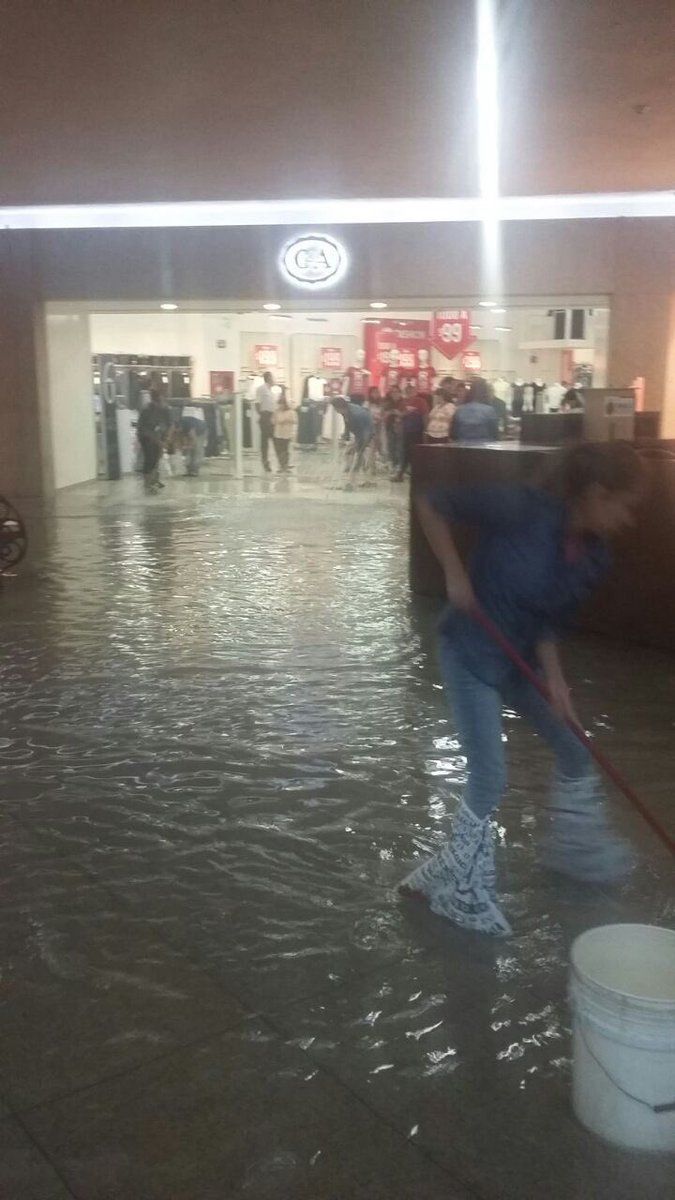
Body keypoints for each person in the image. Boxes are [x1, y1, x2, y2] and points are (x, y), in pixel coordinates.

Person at [400, 441, 644, 935]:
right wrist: (453, 572)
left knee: (576, 748)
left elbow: (549, 622)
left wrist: (557, 682)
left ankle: (571, 852)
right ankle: (458, 887)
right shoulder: (522, 508)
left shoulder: (595, 559)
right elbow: (431, 502)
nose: (628, 520)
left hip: (521, 661)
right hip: (471, 652)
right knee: (490, 777)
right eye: (625, 506)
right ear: (598, 494)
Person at [137, 388, 171, 494]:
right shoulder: (147, 410)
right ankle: (147, 483)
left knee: (156, 458)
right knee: (150, 459)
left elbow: (169, 425)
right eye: (160, 400)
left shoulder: (164, 410)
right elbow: (144, 429)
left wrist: (165, 439)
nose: (162, 402)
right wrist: (159, 441)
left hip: (156, 435)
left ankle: (154, 480)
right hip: (146, 437)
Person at [333, 397, 374, 478]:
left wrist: (361, 448)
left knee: (360, 455)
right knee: (351, 453)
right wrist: (345, 436)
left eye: (335, 408)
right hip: (359, 433)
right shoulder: (346, 410)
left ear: (339, 407)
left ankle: (360, 476)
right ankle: (356, 473)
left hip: (367, 434)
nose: (335, 410)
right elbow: (347, 424)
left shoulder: (356, 414)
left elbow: (366, 432)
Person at [394, 386, 429, 481]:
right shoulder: (403, 402)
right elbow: (399, 417)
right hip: (406, 432)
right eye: (407, 391)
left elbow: (425, 415)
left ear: (415, 392)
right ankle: (401, 474)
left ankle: (417, 475)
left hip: (418, 431)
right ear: (405, 392)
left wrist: (425, 430)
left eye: (411, 391)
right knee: (405, 453)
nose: (409, 393)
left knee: (417, 453)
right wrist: (398, 425)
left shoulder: (421, 401)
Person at [452, 377, 500, 442]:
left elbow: (454, 434)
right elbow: (495, 434)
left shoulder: (460, 410)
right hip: (484, 448)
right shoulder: (489, 410)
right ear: (485, 392)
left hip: (463, 447)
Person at [255, 370, 277, 472]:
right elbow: (257, 403)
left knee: (275, 439)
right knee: (265, 442)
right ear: (268, 378)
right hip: (265, 416)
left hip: (271, 416)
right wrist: (262, 414)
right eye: (273, 378)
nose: (274, 380)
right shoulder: (261, 389)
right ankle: (265, 463)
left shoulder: (271, 391)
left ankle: (281, 462)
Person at [272, 388, 297, 473]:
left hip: (286, 434)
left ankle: (285, 466)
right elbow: (273, 421)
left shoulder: (290, 412)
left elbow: (294, 421)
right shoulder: (276, 412)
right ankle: (281, 465)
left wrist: (286, 420)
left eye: (281, 404)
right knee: (279, 450)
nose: (280, 406)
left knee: (285, 450)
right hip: (278, 433)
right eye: (279, 404)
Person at [179, 404, 207, 476]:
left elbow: (193, 439)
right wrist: (185, 445)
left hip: (200, 431)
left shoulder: (189, 427)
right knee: (190, 450)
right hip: (194, 427)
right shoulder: (181, 427)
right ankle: (189, 469)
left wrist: (188, 445)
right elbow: (183, 438)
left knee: (197, 449)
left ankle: (194, 470)